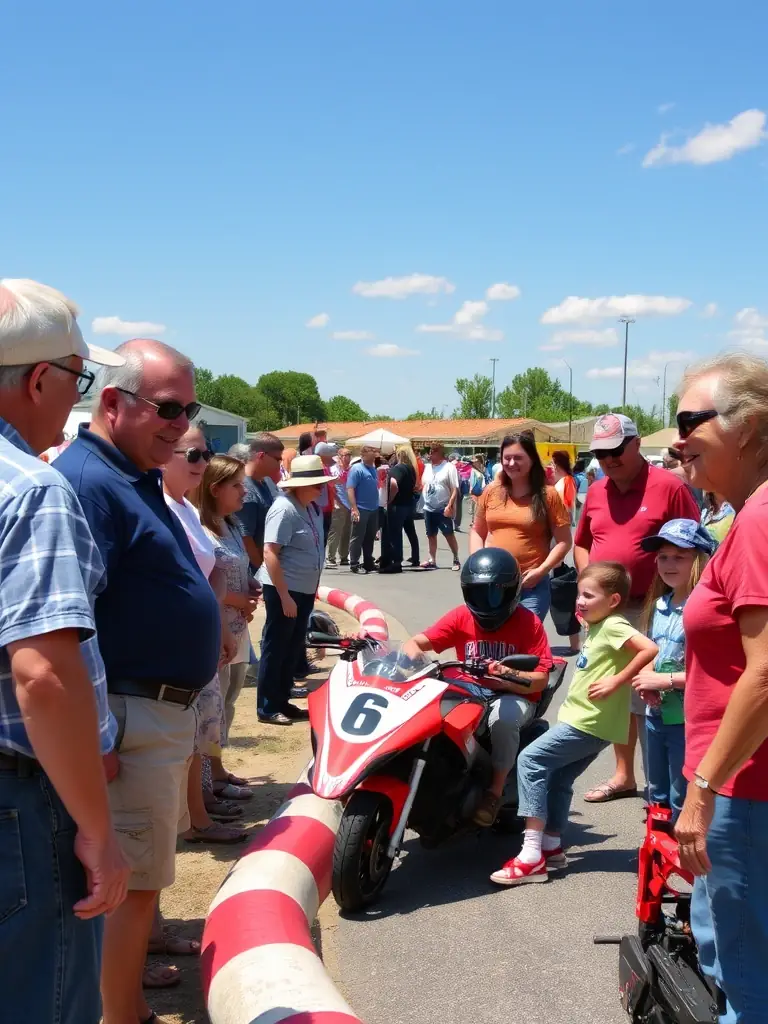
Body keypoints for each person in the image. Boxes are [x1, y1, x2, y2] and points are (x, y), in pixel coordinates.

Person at [56, 338, 221, 1024]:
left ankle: (121, 1007)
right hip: (128, 714)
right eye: (168, 408)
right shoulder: (92, 483)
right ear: (113, 402)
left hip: (149, 714)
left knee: (140, 880)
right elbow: (70, 619)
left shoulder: (131, 476)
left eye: (189, 410)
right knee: (129, 885)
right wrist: (96, 733)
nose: (181, 425)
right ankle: (119, 1015)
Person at [0, 279, 129, 1024]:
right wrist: (99, 832)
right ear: (41, 379)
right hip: (17, 808)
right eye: (78, 378)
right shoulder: (29, 489)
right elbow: (44, 676)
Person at [671, 353, 768, 1022]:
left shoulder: (760, 519)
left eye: (687, 421)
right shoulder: (743, 517)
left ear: (750, 428)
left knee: (744, 976)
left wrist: (703, 792)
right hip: (741, 785)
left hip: (743, 792)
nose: (676, 441)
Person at [490, 562, 657, 885]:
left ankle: (530, 856)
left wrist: (617, 681)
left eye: (589, 596)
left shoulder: (613, 625)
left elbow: (649, 648)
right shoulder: (597, 627)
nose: (580, 601)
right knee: (560, 778)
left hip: (589, 722)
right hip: (593, 723)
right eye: (579, 594)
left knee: (531, 761)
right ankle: (551, 846)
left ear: (613, 601)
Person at [574, 413, 699, 804]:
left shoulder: (669, 486)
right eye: (600, 453)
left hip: (652, 607)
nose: (608, 459)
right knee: (615, 693)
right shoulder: (596, 490)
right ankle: (625, 776)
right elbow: (581, 542)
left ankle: (665, 787)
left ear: (636, 443)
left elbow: (694, 542)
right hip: (604, 611)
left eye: (615, 450)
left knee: (653, 692)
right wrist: (589, 584)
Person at [405, 549, 553, 826]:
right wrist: (408, 659)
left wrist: (505, 672)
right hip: (470, 690)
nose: (486, 600)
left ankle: (494, 793)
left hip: (512, 695)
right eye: (478, 592)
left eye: (494, 593)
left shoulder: (528, 622)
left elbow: (541, 678)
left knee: (504, 718)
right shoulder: (462, 616)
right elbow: (416, 643)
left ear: (511, 592)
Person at [163, 431, 246, 845]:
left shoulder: (184, 510)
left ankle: (198, 816)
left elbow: (208, 571)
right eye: (193, 453)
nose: (201, 461)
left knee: (201, 732)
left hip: (205, 636)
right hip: (181, 642)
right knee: (191, 735)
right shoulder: (165, 508)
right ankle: (195, 819)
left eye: (206, 454)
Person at [631, 519, 713, 822]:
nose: (669, 563)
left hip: (688, 720)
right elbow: (652, 650)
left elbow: (709, 675)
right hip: (656, 716)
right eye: (663, 557)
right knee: (656, 789)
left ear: (700, 560)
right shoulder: (660, 605)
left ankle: (684, 857)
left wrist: (663, 679)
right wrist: (647, 679)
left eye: (679, 556)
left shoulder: (703, 610)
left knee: (682, 792)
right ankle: (656, 851)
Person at [195, 455, 260, 771]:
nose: (244, 492)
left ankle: (218, 767)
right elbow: (205, 581)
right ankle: (210, 776)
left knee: (230, 698)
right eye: (237, 485)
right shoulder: (199, 527)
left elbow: (236, 565)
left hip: (238, 628)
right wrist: (239, 599)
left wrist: (250, 586)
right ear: (216, 488)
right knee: (212, 703)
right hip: (216, 628)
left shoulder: (232, 525)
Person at [469, 432, 572, 621]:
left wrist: (541, 571)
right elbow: (477, 530)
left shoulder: (548, 495)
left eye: (518, 458)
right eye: (506, 458)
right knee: (494, 643)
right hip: (491, 584)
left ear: (532, 459)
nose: (511, 463)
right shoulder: (492, 491)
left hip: (531, 586)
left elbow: (564, 542)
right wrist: (477, 564)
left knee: (523, 644)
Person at [256, 454, 325, 725]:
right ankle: (268, 706)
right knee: (277, 647)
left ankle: (282, 700)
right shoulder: (284, 508)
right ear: (299, 485)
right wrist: (284, 596)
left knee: (292, 647)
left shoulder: (311, 508)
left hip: (302, 590)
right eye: (317, 484)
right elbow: (270, 552)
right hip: (285, 590)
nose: (321, 488)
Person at [234, 433, 284, 571]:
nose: (279, 464)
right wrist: (263, 570)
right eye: (277, 459)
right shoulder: (245, 489)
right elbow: (246, 539)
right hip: (255, 572)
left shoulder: (267, 481)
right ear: (261, 456)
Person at [421, 442, 461, 571]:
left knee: (448, 534)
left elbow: (455, 488)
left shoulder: (449, 467)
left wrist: (450, 505)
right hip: (428, 506)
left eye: (432, 451)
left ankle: (456, 558)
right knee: (430, 534)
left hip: (442, 507)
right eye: (429, 451)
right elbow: (424, 484)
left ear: (439, 452)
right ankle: (432, 559)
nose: (430, 454)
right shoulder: (427, 468)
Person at [382, 447, 418, 573]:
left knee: (395, 534)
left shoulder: (397, 468)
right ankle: (415, 557)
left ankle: (396, 562)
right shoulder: (411, 469)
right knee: (410, 531)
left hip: (398, 505)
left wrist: (390, 500)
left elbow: (393, 484)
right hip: (408, 504)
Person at [347, 445, 380, 574]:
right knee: (357, 537)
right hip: (361, 508)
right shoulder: (356, 469)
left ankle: (368, 562)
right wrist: (354, 508)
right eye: (372, 453)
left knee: (370, 537)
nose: (375, 456)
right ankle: (354, 563)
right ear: (364, 455)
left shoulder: (373, 469)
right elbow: (350, 489)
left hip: (373, 508)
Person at [327, 446, 352, 568]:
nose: (347, 458)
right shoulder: (333, 470)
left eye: (349, 455)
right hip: (338, 503)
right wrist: (335, 501)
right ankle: (330, 557)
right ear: (339, 457)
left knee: (347, 532)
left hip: (350, 504)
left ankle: (344, 556)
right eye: (345, 455)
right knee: (336, 531)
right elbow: (330, 486)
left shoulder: (351, 470)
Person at [551, 450, 577, 523]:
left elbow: (568, 505)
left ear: (557, 465)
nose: (552, 467)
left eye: (552, 464)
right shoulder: (561, 481)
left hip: (562, 523)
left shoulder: (568, 480)